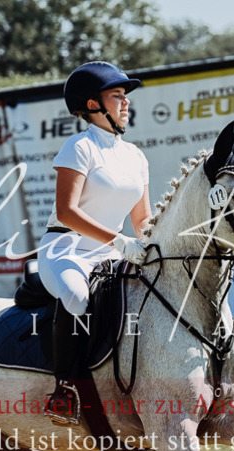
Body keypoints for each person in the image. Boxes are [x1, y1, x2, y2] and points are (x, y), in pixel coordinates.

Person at [37, 61, 151, 425]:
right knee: (77, 297)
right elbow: (67, 212)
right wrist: (120, 241)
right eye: (117, 95)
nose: (125, 102)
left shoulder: (135, 156)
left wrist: (162, 241)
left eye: (125, 96)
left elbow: (142, 221)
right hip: (65, 250)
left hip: (110, 253)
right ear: (92, 105)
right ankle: (64, 390)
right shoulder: (79, 147)